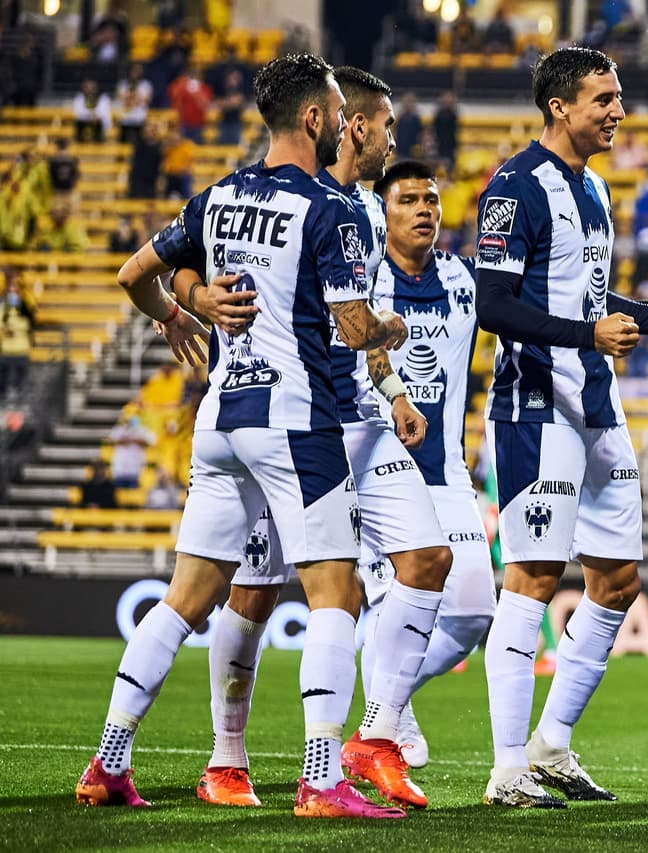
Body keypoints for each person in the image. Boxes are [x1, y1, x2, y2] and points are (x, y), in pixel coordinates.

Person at [74, 52, 404, 820]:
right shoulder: (332, 208)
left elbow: (133, 274)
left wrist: (176, 309)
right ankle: (321, 778)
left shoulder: (218, 198)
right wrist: (391, 321)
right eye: (335, 113)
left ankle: (108, 760)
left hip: (222, 420)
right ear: (317, 119)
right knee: (335, 594)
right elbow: (356, 329)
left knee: (185, 597)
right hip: (296, 420)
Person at [186, 66, 452, 814]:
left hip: (359, 416)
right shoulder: (314, 205)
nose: (392, 140)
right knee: (256, 588)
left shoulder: (361, 209)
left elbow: (355, 326)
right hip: (298, 420)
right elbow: (195, 271)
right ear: (351, 125)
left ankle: (375, 734)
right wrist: (199, 297)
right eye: (385, 126)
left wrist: (394, 391)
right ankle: (226, 757)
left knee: (429, 558)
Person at [472, 46, 648, 809]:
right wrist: (590, 336)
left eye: (618, 97)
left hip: (597, 404)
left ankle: (550, 746)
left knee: (617, 579)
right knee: (531, 579)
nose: (617, 110)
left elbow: (591, 295)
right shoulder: (515, 187)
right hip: (534, 404)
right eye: (604, 97)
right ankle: (504, 770)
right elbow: (495, 303)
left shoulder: (594, 190)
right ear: (560, 105)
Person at [364, 159, 499, 766]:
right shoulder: (363, 281)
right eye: (409, 200)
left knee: (474, 610)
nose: (424, 209)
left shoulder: (464, 279)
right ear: (382, 213)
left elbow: (533, 301)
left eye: (431, 199)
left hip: (446, 472)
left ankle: (385, 706)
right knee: (387, 601)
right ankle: (382, 733)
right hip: (373, 471)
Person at [107, 414, 155, 488]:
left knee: (133, 495)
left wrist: (135, 440)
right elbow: (111, 442)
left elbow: (150, 442)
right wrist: (124, 440)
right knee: (118, 494)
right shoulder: (119, 429)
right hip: (119, 469)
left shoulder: (142, 430)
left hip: (135, 470)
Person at [168, 66, 214, 143]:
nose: (195, 77)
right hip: (184, 122)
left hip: (199, 123)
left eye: (197, 75)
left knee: (194, 147)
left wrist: (197, 92)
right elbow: (174, 97)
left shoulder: (205, 88)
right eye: (193, 75)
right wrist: (183, 84)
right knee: (183, 146)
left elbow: (205, 104)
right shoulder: (183, 87)